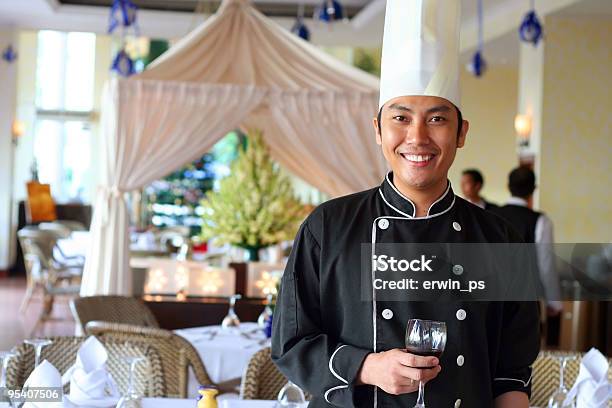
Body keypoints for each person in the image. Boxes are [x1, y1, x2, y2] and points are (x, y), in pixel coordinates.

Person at [271, 1, 540, 407]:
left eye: (437, 119)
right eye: (400, 118)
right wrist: (366, 367)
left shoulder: (501, 237)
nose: (417, 138)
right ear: (378, 130)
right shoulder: (328, 227)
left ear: (461, 132)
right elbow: (291, 343)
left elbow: (512, 371)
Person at [491, 166, 562, 316]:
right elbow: (546, 265)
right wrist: (553, 301)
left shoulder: (489, 216)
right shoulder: (540, 221)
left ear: (507, 186)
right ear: (534, 188)